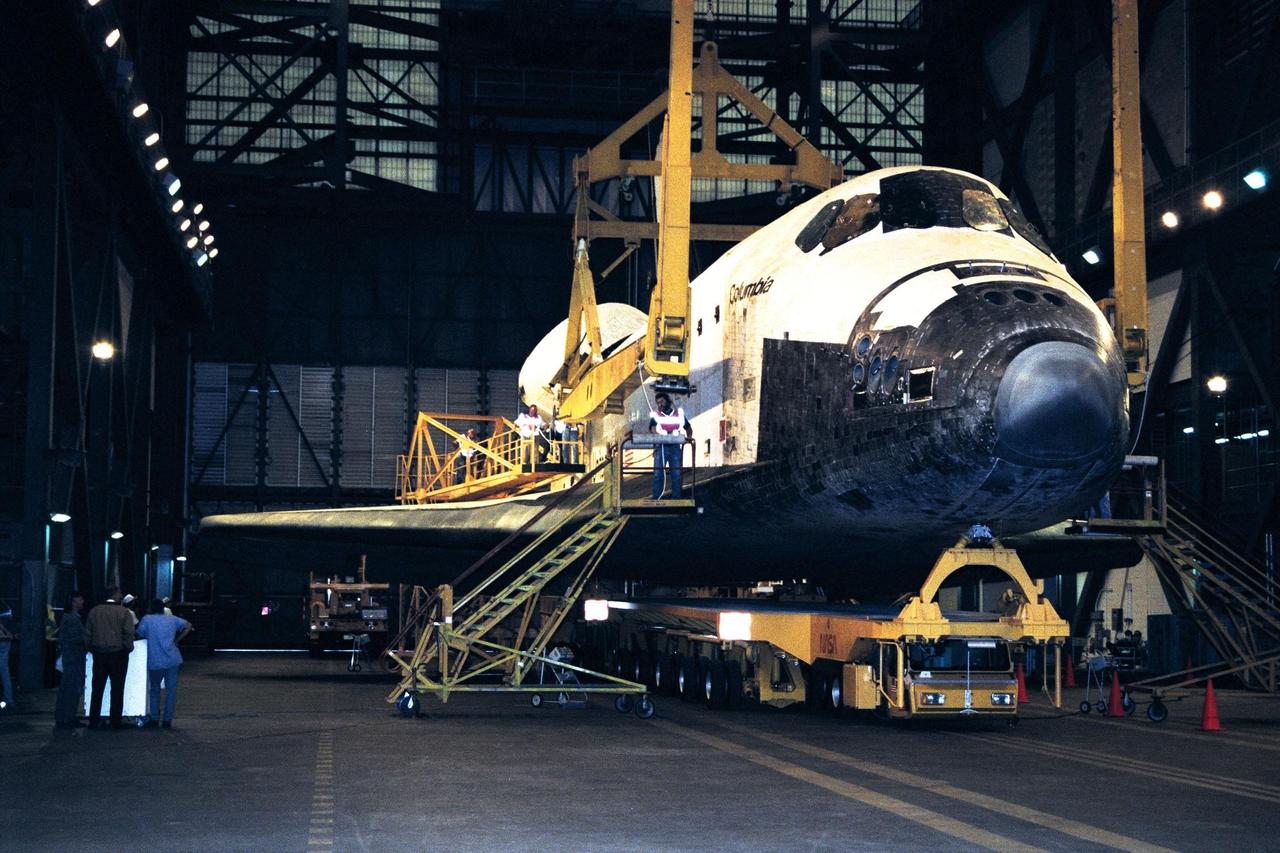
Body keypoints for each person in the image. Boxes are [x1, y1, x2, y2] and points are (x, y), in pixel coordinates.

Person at [136, 599, 193, 729]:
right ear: (163, 608)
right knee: (171, 691)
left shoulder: (147, 620)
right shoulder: (172, 619)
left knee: (154, 689)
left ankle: (154, 718)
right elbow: (189, 626)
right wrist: (177, 640)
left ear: (151, 608)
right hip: (173, 659)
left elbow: (139, 633)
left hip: (155, 660)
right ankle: (167, 720)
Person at [85, 587, 135, 730]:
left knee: (97, 688)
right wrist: (127, 648)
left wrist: (91, 648)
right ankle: (115, 721)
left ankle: (94, 720)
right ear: (115, 595)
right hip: (118, 655)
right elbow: (128, 633)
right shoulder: (124, 612)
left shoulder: (94, 611)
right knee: (117, 689)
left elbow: (88, 633)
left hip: (99, 654)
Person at [648, 392, 693, 499]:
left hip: (674, 447)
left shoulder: (678, 415)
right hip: (661, 447)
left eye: (662, 401)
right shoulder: (656, 416)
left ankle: (676, 499)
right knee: (658, 474)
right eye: (658, 403)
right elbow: (652, 429)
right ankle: (656, 499)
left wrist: (689, 438)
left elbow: (688, 427)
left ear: (667, 401)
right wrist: (659, 437)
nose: (660, 404)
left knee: (676, 474)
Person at [54, 592, 88, 728]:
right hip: (74, 657)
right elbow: (76, 638)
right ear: (74, 602)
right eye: (80, 600)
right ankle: (68, 717)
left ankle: (63, 716)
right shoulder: (73, 618)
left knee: (67, 688)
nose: (82, 602)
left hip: (70, 656)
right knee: (72, 688)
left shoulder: (68, 617)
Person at [0, 602, 15, 712]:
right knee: (4, 671)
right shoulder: (5, 606)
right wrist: (9, 634)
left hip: (2, 639)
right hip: (5, 641)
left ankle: (8, 699)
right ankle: (9, 699)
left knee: (4, 671)